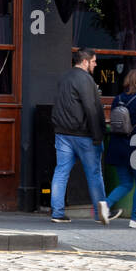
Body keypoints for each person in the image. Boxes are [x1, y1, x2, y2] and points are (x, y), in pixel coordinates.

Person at [49, 49, 109, 224]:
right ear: (85, 61)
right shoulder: (86, 79)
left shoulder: (64, 78)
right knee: (94, 174)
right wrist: (98, 135)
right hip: (84, 135)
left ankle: (57, 213)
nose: (95, 64)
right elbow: (92, 108)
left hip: (62, 133)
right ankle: (101, 214)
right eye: (94, 61)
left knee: (61, 172)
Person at [100, 69, 136, 229]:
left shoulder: (117, 99)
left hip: (118, 146)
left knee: (125, 183)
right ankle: (135, 219)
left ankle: (106, 204)